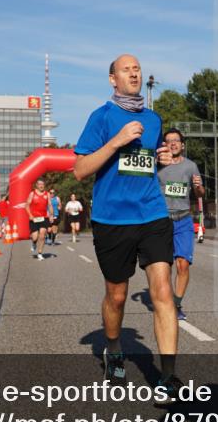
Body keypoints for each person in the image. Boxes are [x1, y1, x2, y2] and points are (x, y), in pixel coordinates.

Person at [73, 54, 181, 399]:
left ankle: (167, 377)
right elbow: (80, 170)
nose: (134, 73)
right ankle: (115, 349)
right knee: (117, 296)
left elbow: (146, 164)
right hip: (112, 219)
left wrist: (160, 160)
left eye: (137, 69)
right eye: (126, 69)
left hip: (152, 213)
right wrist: (117, 141)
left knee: (163, 290)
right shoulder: (101, 117)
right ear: (112, 79)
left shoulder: (153, 119)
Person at [157, 128, 205, 321]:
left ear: (182, 145)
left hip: (184, 219)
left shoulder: (191, 166)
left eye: (176, 140)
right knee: (164, 267)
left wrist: (198, 186)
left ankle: (176, 304)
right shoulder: (157, 166)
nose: (173, 143)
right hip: (162, 220)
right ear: (164, 145)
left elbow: (200, 193)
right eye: (169, 141)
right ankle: (164, 299)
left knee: (183, 265)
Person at [26, 179, 52, 260]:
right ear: (36, 185)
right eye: (39, 184)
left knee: (42, 236)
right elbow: (27, 205)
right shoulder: (32, 193)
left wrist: (51, 215)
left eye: (42, 184)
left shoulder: (47, 194)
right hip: (34, 218)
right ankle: (34, 243)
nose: (41, 186)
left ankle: (40, 253)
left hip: (44, 217)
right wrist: (30, 215)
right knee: (35, 237)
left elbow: (50, 205)